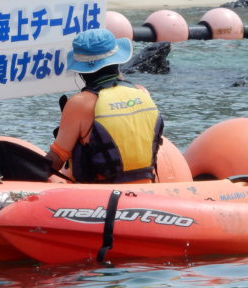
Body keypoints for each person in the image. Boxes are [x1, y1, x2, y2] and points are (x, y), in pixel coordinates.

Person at [45, 28, 164, 183]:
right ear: (117, 61)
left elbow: (56, 159)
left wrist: (21, 173)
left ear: (81, 71)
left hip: (100, 195)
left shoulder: (80, 103)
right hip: (146, 189)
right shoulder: (142, 92)